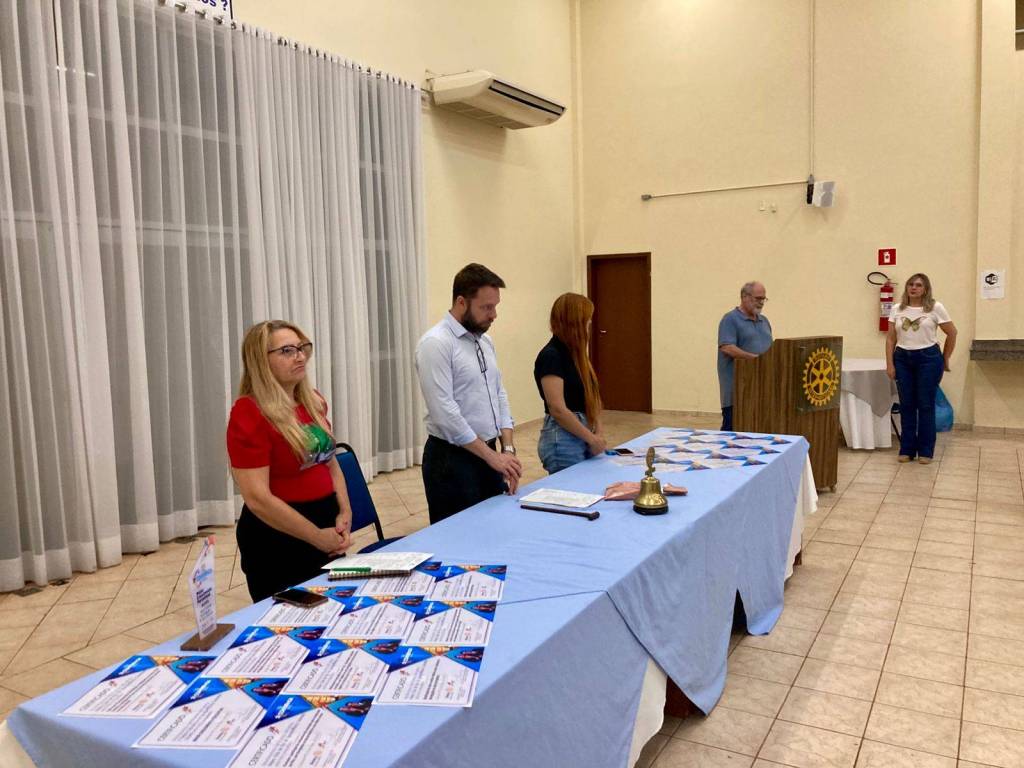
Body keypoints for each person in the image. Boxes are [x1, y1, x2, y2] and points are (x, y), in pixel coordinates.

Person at [226, 320, 353, 602]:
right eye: (287, 350)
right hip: (278, 538)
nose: (299, 356)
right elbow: (257, 498)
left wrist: (345, 512)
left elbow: (331, 464)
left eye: (301, 348)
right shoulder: (248, 413)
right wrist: (316, 537)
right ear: (261, 361)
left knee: (334, 608)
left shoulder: (312, 401)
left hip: (325, 524)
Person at [416, 264, 522, 524]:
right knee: (458, 537)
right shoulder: (436, 344)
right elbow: (445, 413)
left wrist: (507, 449)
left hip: (488, 454)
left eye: (495, 306)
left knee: (493, 527)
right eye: (486, 307)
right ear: (461, 302)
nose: (494, 315)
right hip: (452, 461)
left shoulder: (484, 341)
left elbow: (498, 394)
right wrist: (492, 457)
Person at [885, 273, 957, 464]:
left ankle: (926, 451)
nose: (913, 288)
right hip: (902, 358)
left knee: (925, 405)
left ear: (925, 289)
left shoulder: (935, 308)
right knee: (907, 404)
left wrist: (945, 358)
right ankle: (907, 449)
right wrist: (890, 364)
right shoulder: (897, 309)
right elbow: (891, 339)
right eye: (910, 284)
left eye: (918, 285)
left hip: (928, 359)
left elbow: (952, 333)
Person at [533, 293, 607, 473]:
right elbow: (557, 409)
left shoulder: (577, 356)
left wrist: (598, 433)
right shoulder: (551, 356)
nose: (590, 324)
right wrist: (592, 439)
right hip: (563, 441)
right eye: (587, 320)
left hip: (583, 433)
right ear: (575, 323)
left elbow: (592, 396)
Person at [717, 281, 773, 431]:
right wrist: (755, 359)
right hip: (737, 393)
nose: (761, 302)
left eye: (764, 299)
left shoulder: (764, 321)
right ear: (744, 297)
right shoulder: (730, 319)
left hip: (762, 391)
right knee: (732, 434)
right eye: (758, 298)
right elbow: (727, 347)